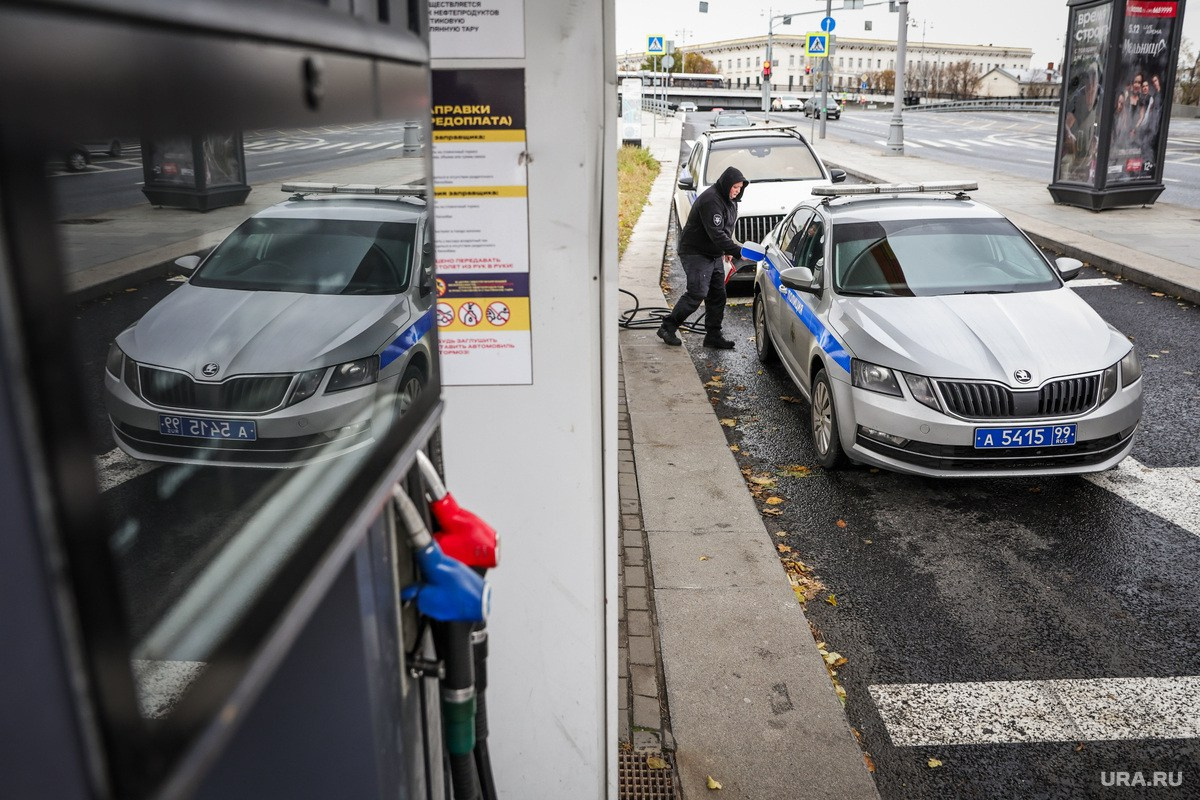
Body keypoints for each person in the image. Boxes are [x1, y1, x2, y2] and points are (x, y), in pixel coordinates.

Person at [657, 166, 749, 349]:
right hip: (695, 251)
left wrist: (727, 250)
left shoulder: (731, 201)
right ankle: (667, 327)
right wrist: (738, 251)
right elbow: (716, 233)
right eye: (735, 187)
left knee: (718, 295)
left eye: (740, 188)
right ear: (726, 184)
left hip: (713, 253)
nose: (737, 191)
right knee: (697, 292)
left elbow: (725, 229)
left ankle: (713, 336)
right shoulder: (711, 200)